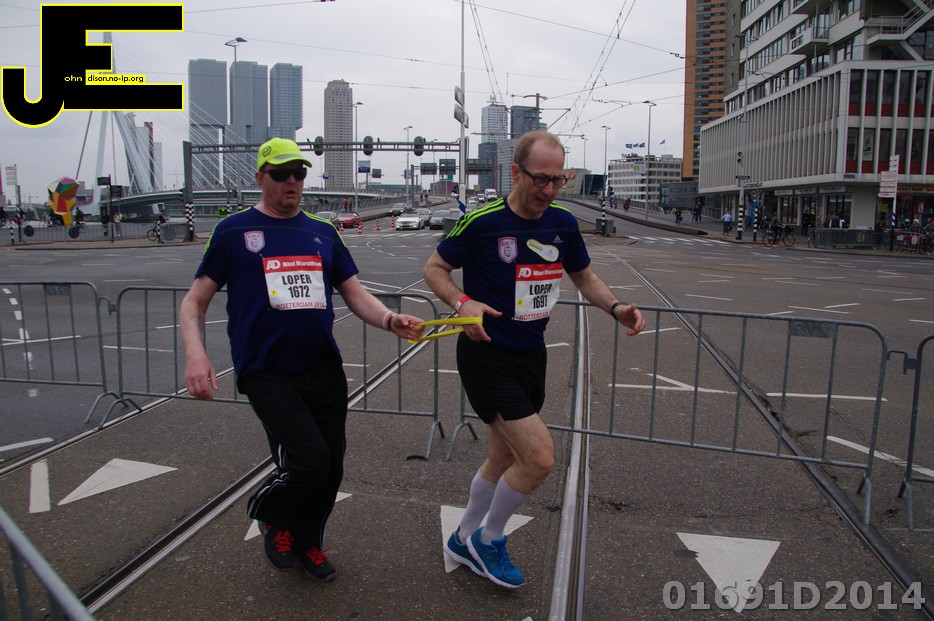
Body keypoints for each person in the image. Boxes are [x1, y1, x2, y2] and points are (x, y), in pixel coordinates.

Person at [179, 137, 425, 582]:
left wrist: (390, 319)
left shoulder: (322, 231)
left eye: (298, 173)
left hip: (322, 369)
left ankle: (309, 541)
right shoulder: (233, 231)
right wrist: (197, 355)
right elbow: (194, 302)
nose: (292, 181)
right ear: (261, 178)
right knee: (308, 461)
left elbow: (354, 293)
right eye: (281, 174)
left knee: (331, 468)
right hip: (266, 371)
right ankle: (272, 516)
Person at [423, 130, 645, 589]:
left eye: (557, 180)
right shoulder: (482, 222)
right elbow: (434, 268)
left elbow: (584, 276)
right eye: (540, 179)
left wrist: (616, 307)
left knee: (502, 455)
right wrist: (463, 302)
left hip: (531, 355)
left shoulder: (562, 222)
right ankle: (489, 539)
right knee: (540, 458)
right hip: (485, 354)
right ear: (516, 172)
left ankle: (462, 539)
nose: (548, 189)